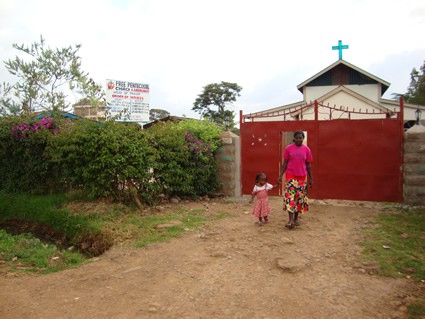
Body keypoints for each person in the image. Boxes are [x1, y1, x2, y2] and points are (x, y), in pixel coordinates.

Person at [278, 131, 313, 229]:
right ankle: (290, 220)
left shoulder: (307, 150)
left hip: (302, 178)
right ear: (294, 139)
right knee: (290, 198)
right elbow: (285, 163)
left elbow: (308, 165)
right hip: (291, 177)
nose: (299, 139)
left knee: (299, 199)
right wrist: (280, 176)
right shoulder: (289, 148)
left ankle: (296, 218)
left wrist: (311, 178)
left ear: (303, 138)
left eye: (300, 138)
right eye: (297, 138)